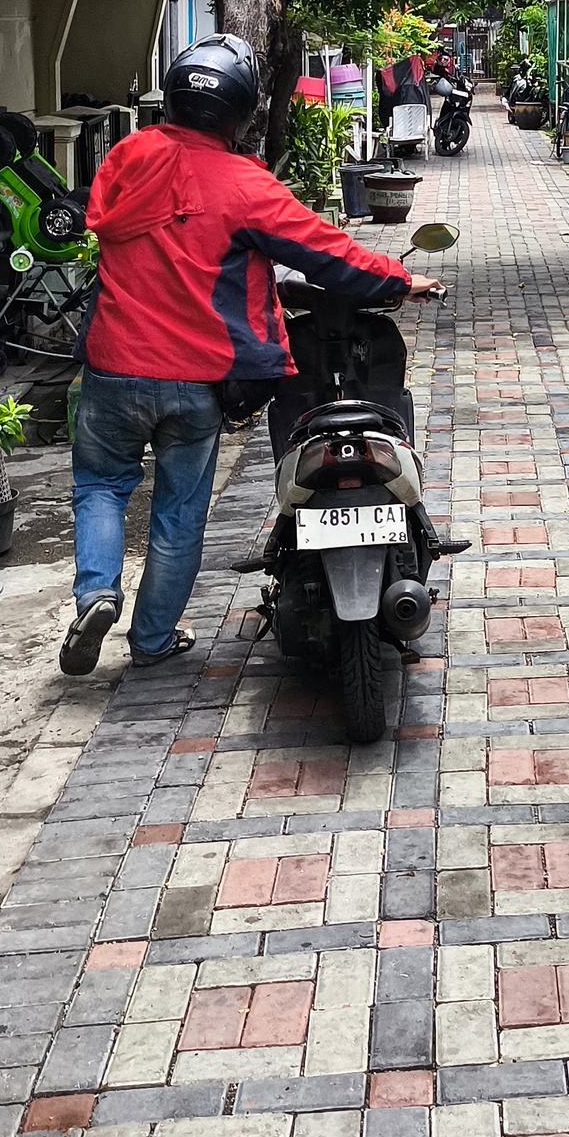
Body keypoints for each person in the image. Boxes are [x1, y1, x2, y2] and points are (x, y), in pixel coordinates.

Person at [61, 33, 442, 675]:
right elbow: (326, 251)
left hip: (112, 364)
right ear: (242, 110)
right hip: (196, 377)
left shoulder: (127, 155)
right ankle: (151, 639)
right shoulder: (245, 184)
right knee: (178, 512)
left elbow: (96, 217)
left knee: (100, 485)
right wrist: (400, 280)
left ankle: (97, 591)